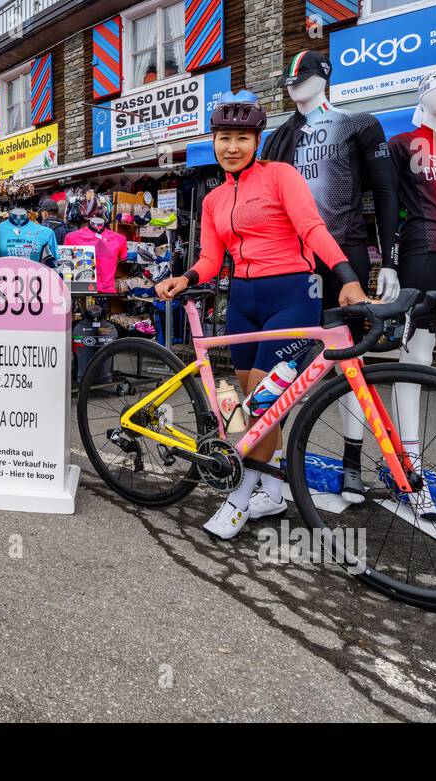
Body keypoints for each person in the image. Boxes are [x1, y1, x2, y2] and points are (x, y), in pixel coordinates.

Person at [155, 98, 367, 542]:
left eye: (242, 138)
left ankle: (238, 495)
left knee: (266, 402)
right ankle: (270, 488)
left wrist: (345, 276)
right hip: (244, 299)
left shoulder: (281, 176)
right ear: (213, 141)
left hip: (292, 295)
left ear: (257, 141)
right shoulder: (213, 198)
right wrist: (187, 277)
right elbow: (213, 258)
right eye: (224, 138)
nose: (232, 147)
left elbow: (312, 227)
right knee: (239, 401)